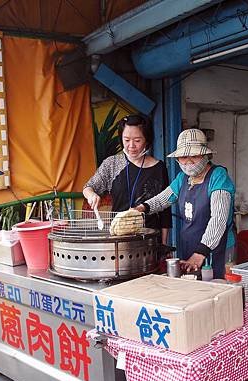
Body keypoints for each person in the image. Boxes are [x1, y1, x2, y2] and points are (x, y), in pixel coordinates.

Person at [133, 128, 236, 279]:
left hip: (218, 250)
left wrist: (201, 252)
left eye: (194, 155)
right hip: (191, 247)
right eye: (183, 157)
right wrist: (141, 208)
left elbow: (218, 220)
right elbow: (163, 199)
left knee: (219, 292)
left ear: (206, 155)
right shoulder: (182, 178)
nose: (188, 161)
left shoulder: (218, 177)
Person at [83, 114, 171, 243]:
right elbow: (88, 187)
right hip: (119, 237)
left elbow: (165, 210)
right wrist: (91, 195)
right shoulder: (112, 164)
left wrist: (163, 244)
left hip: (150, 238)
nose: (131, 146)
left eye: (137, 140)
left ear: (147, 140)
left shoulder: (159, 167)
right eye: (126, 140)